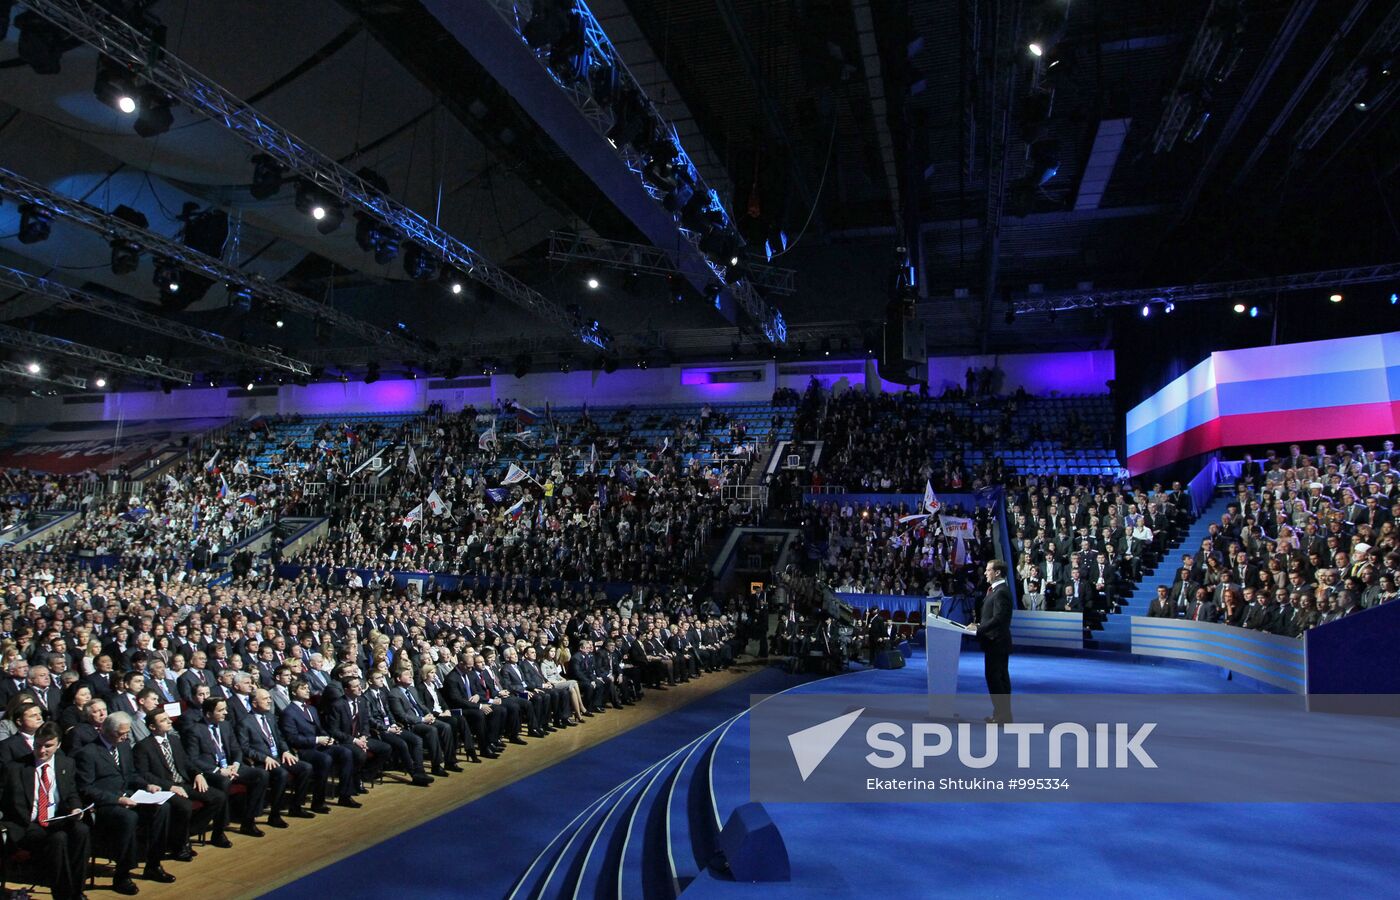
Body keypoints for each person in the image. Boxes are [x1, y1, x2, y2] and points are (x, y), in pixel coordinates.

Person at [73, 711, 176, 894]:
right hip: (105, 804)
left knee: (163, 808)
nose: (125, 736)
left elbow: (131, 774)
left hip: (130, 795)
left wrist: (147, 785)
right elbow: (85, 788)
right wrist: (117, 800)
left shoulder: (124, 746)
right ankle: (122, 875)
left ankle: (153, 863)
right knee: (128, 818)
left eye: (127, 732)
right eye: (121, 733)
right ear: (105, 731)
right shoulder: (88, 753)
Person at [0, 722, 91, 900]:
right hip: (28, 823)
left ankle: (77, 890)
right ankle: (63, 895)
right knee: (59, 838)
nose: (42, 751)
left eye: (48, 746)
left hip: (57, 819)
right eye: (38, 745)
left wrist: (76, 807)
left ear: (58, 745)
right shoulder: (16, 768)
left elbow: (71, 792)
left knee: (82, 830)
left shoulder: (66, 763)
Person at [133, 708, 232, 857]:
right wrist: (170, 787)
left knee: (218, 797)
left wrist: (198, 774)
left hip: (183, 782)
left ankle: (185, 834)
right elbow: (145, 774)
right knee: (184, 806)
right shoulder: (143, 746)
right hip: (165, 787)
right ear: (152, 727)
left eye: (168, 718)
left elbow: (186, 762)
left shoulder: (174, 740)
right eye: (163, 720)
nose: (169, 721)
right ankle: (179, 845)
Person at [967, 559, 1013, 724]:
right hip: (994, 641)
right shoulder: (995, 591)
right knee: (998, 679)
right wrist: (979, 625)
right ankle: (1002, 714)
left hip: (997, 641)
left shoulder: (1001, 592)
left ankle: (1002, 715)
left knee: (996, 679)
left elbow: (999, 618)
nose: (985, 573)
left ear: (997, 572)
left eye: (988, 570)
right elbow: (992, 617)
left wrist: (979, 628)